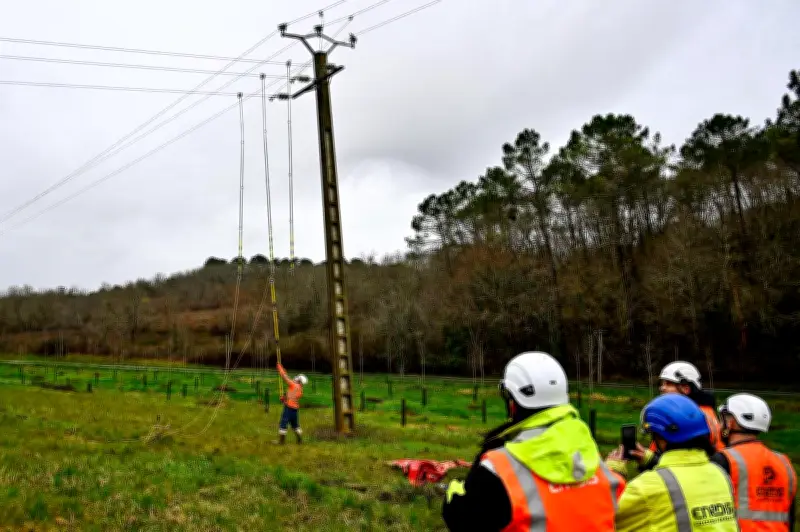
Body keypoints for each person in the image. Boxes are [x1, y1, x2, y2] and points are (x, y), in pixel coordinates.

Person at [442, 351, 625, 531]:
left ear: (512, 404)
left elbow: (461, 519)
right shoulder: (592, 457)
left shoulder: (498, 469)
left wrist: (453, 489)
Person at [606, 393, 739, 532]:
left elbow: (605, 520)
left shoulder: (645, 487)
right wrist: (651, 460)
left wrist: (613, 474)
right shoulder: (720, 474)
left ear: (659, 437)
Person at [711, 393, 797, 531]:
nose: (720, 425)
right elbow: (790, 516)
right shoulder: (784, 462)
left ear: (731, 422)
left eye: (722, 420)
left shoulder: (723, 460)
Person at [632, 361, 724, 471]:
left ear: (686, 389)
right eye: (662, 384)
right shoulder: (698, 413)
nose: (662, 388)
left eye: (669, 384)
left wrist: (651, 460)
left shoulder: (694, 418)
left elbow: (683, 461)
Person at [275, 363, 307, 445]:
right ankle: (300, 440)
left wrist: (280, 369)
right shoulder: (300, 389)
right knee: (295, 425)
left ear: (299, 380)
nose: (296, 378)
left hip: (288, 408)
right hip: (294, 409)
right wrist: (284, 398)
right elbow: (291, 396)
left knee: (283, 423)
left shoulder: (294, 385)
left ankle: (281, 442)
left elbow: (285, 378)